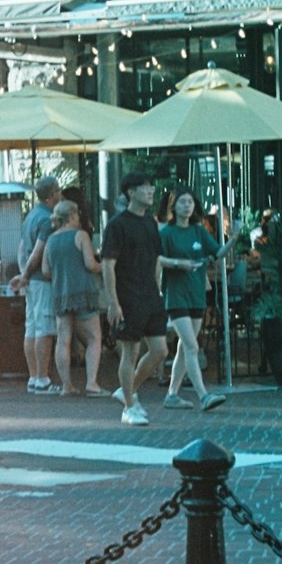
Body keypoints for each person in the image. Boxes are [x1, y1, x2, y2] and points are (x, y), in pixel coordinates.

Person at [158, 186, 236, 412]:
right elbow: (157, 258)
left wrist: (233, 239)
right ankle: (203, 395)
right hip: (176, 295)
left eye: (190, 202)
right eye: (182, 202)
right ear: (174, 206)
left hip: (197, 295)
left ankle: (172, 395)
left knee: (185, 347)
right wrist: (178, 264)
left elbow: (217, 254)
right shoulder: (166, 233)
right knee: (192, 346)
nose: (187, 206)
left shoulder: (199, 231)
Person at [101, 172, 169, 426]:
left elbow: (156, 258)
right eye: (144, 187)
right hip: (127, 296)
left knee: (160, 350)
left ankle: (127, 391)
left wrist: (157, 287)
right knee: (130, 351)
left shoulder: (151, 222)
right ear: (131, 192)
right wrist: (113, 302)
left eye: (151, 187)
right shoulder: (117, 225)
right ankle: (129, 408)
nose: (150, 191)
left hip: (150, 294)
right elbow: (108, 264)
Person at [41, 199, 104, 396]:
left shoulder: (50, 240)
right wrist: (104, 267)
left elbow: (46, 271)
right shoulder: (81, 235)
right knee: (94, 338)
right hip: (83, 292)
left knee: (63, 340)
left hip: (61, 295)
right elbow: (90, 264)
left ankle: (66, 385)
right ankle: (91, 383)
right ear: (72, 215)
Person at [9, 176, 62, 394]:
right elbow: (39, 251)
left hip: (31, 280)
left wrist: (24, 274)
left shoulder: (31, 216)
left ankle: (34, 377)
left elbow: (23, 249)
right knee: (44, 329)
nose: (60, 194)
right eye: (58, 190)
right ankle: (43, 378)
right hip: (42, 279)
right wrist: (27, 274)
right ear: (52, 195)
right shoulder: (48, 219)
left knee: (31, 327)